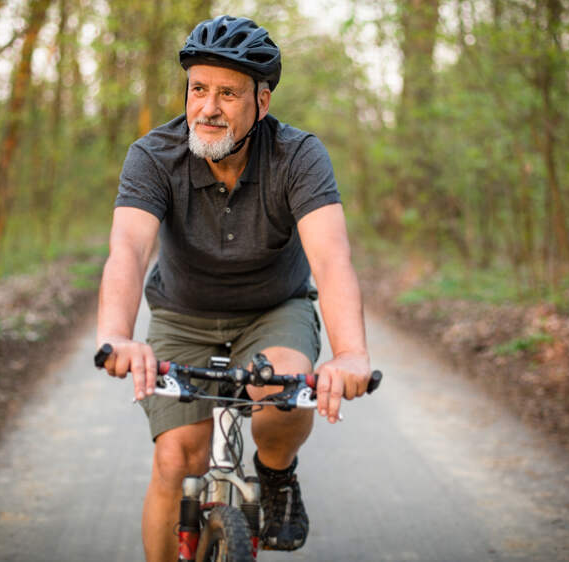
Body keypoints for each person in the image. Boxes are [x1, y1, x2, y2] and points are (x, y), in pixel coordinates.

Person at [95, 15, 372, 561]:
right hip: (183, 314)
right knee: (178, 458)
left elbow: (331, 257)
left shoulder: (298, 156)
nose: (208, 108)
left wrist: (350, 354)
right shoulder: (153, 156)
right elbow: (127, 248)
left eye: (227, 93)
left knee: (283, 396)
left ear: (261, 103)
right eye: (198, 89)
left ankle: (277, 473)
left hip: (273, 309)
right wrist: (117, 335)